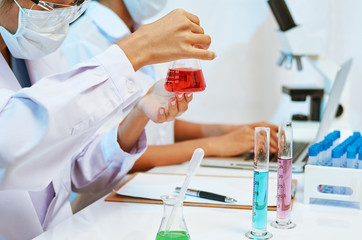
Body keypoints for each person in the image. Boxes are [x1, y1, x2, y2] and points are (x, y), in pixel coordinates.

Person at [26, 0, 278, 212]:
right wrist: (216, 146)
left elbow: (153, 123)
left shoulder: (136, 31)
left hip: (145, 190)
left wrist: (224, 131)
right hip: (109, 201)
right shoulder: (79, 42)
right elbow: (97, 154)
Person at [0, 0, 215, 238]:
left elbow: (74, 166)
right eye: (55, 5)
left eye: (76, 4)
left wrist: (140, 113)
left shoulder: (37, 52)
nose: (67, 13)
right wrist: (136, 50)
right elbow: (9, 145)